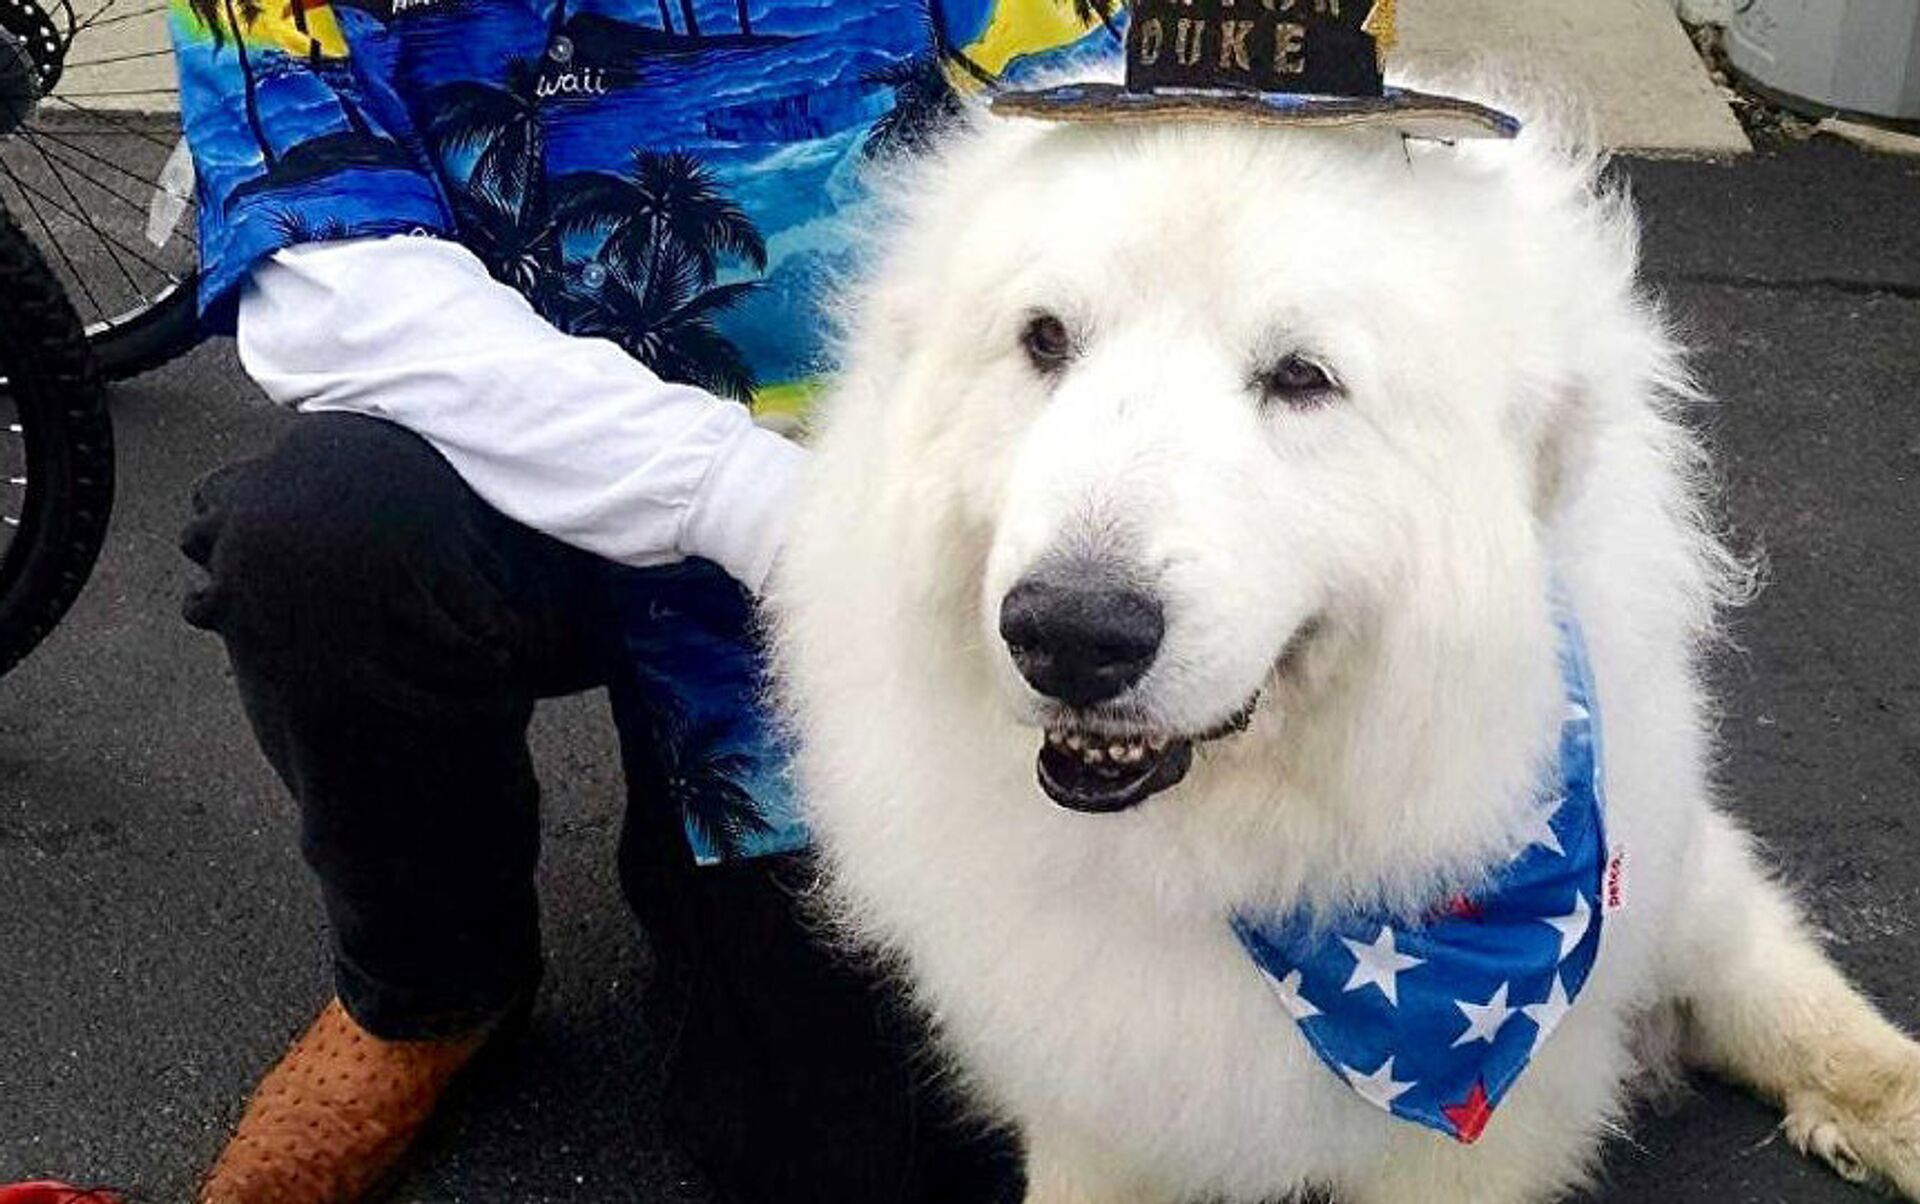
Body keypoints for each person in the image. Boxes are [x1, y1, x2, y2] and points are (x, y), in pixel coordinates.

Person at [166, 1, 1123, 1201]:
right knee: (322, 540)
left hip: (889, 501)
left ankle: (692, 860)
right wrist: (761, 506)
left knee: (875, 1158)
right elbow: (330, 285)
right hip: (639, 502)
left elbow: (1115, 126)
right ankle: (431, 985)